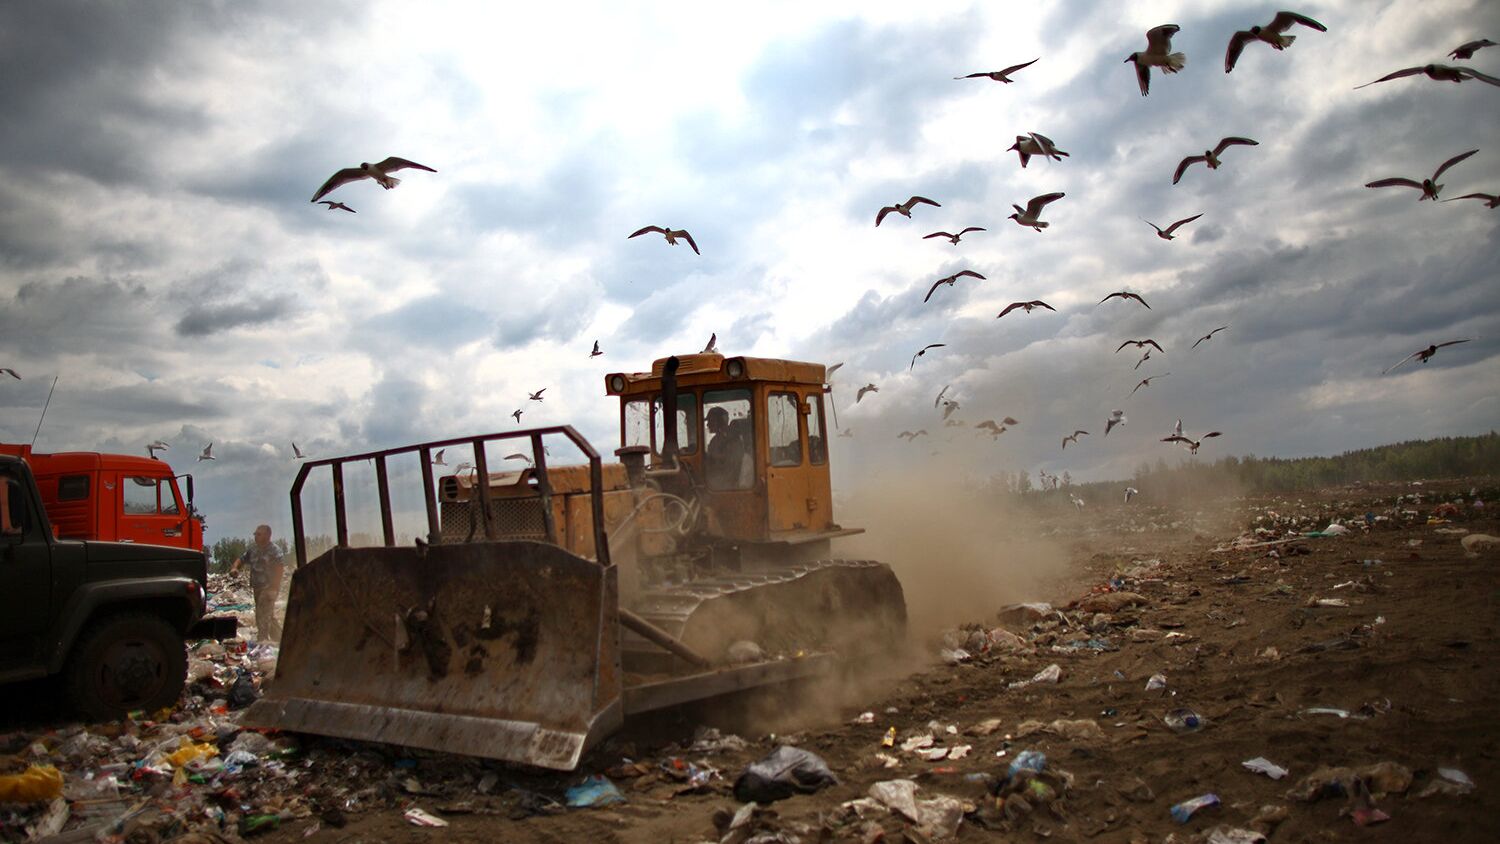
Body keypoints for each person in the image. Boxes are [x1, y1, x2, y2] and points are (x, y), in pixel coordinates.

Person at [231, 524, 284, 643]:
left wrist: (274, 587)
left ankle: (263, 640)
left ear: (267, 535)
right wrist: (235, 568)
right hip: (257, 587)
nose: (255, 536)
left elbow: (279, 569)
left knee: (262, 615)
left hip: (269, 587)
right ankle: (281, 639)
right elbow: (241, 559)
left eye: (258, 534)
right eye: (255, 534)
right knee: (267, 615)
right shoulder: (253, 550)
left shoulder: (274, 551)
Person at [704, 406, 746, 490]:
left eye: (711, 421)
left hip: (725, 483)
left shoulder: (732, 440)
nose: (708, 424)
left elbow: (730, 465)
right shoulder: (717, 440)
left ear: (720, 421)